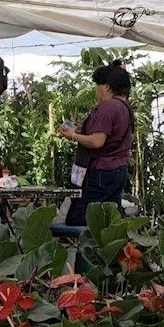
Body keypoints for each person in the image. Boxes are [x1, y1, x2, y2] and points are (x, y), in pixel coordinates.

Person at [60, 62, 133, 226]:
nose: (96, 91)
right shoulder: (125, 107)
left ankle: (87, 248)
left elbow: (97, 141)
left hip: (102, 171)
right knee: (111, 215)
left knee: (78, 217)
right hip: (119, 169)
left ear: (106, 86)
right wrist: (81, 129)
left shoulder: (107, 106)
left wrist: (72, 136)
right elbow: (110, 134)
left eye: (97, 86)